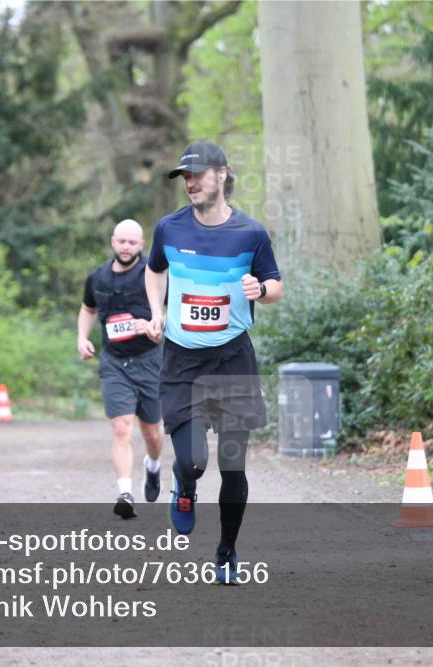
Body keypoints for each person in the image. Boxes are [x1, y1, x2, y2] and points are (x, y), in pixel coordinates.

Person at [145, 141, 283, 584]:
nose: (190, 183)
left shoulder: (251, 233)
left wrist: (261, 291)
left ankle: (226, 553)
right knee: (193, 462)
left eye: (198, 175)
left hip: (232, 359)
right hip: (182, 361)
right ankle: (184, 485)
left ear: (222, 174)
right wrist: (157, 311)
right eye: (185, 177)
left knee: (233, 464)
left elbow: (275, 283)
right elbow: (155, 269)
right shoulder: (169, 229)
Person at [78, 219, 165, 519]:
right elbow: (88, 309)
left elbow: (173, 311)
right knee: (121, 427)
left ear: (141, 245)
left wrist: (154, 325)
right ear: (113, 242)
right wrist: (82, 338)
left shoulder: (153, 275)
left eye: (132, 242)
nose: (126, 247)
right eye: (122, 241)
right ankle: (125, 493)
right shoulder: (97, 277)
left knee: (151, 432)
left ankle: (153, 466)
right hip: (114, 362)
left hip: (150, 360)